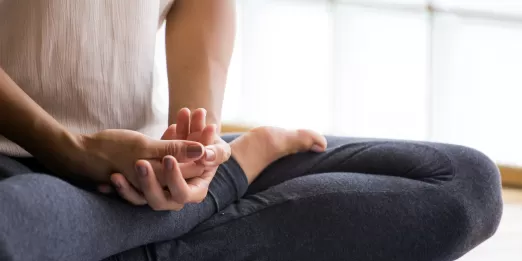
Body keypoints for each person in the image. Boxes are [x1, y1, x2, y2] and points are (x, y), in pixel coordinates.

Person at [0, 1, 502, 261]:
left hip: (145, 161)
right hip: (15, 161)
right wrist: (71, 149)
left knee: (464, 183)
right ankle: (230, 181)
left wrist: (197, 158)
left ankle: (211, 187)